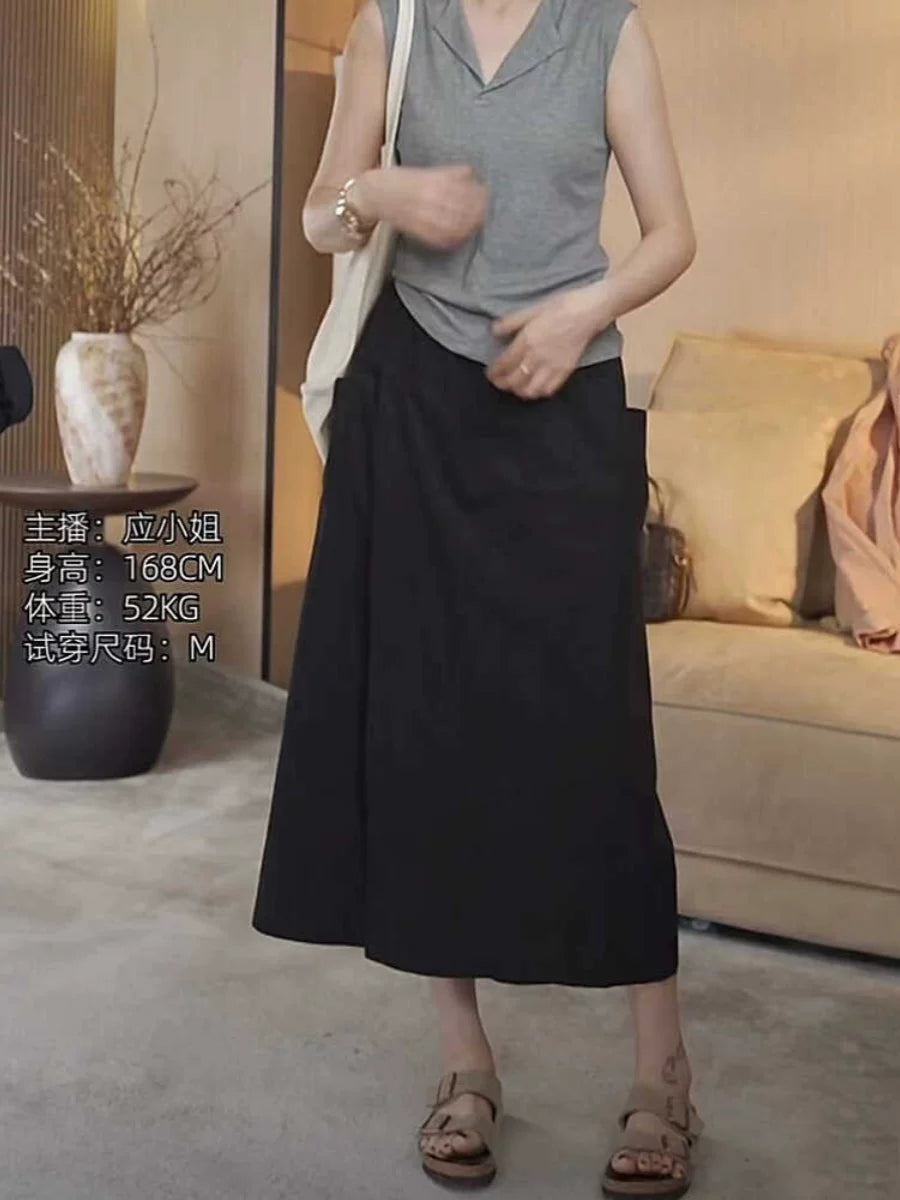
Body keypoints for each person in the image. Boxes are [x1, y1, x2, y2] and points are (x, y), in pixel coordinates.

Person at [252, 0, 701, 1193]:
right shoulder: (391, 23)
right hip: (413, 405)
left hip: (563, 396)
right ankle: (465, 1059)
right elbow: (321, 212)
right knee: (422, 731)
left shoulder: (607, 31)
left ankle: (662, 1067)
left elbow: (671, 235)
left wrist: (582, 311)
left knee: (599, 739)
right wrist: (382, 194)